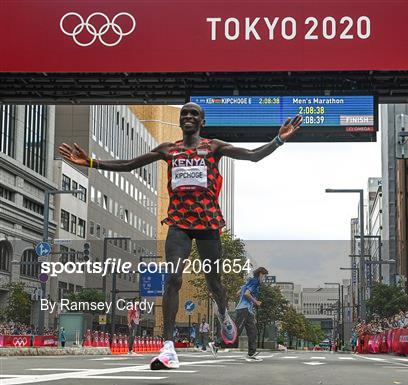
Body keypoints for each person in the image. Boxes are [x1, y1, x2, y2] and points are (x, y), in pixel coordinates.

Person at [59, 103, 303, 370]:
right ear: (180, 121)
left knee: (215, 284)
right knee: (173, 278)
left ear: (202, 121)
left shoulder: (214, 147)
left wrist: (278, 140)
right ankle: (167, 348)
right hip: (179, 223)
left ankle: (223, 313)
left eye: (194, 114)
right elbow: (129, 164)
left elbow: (253, 155)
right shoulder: (168, 150)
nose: (188, 116)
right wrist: (92, 162)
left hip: (208, 224)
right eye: (184, 113)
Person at [236, 267, 268, 362]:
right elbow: (246, 294)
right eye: (264, 276)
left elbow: (237, 293)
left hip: (247, 310)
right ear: (260, 274)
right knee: (236, 330)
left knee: (253, 332)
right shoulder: (255, 282)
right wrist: (256, 302)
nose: (264, 278)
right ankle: (216, 344)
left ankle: (251, 353)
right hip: (244, 309)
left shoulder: (249, 282)